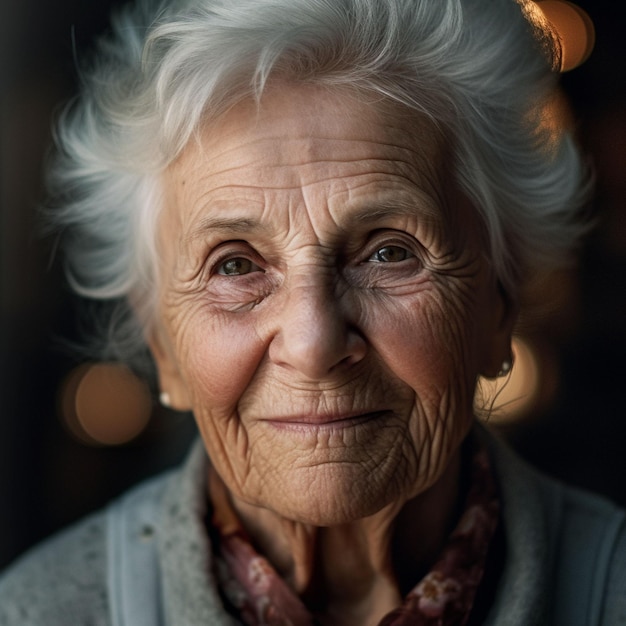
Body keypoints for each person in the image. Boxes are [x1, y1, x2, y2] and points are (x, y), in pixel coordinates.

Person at [1, 0, 624, 624]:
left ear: (501, 303)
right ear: (161, 343)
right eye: (235, 265)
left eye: (388, 253)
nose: (314, 342)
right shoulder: (42, 610)